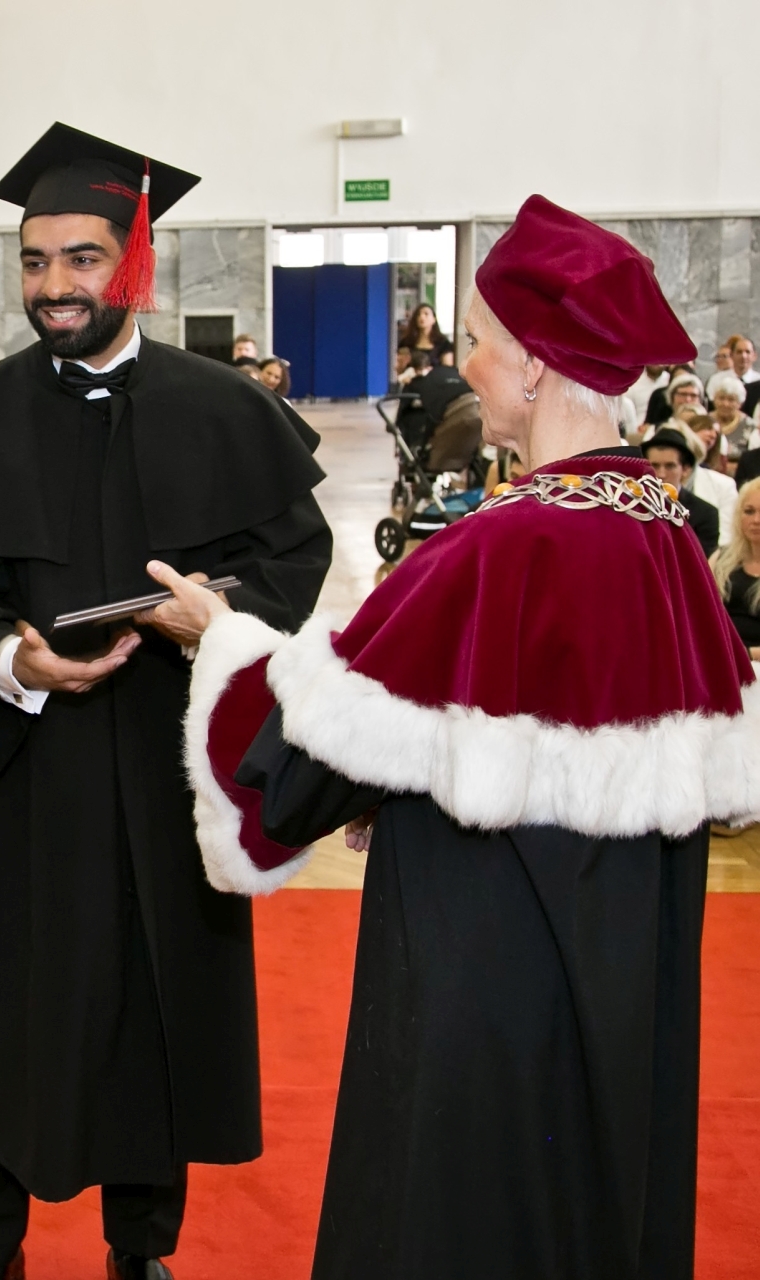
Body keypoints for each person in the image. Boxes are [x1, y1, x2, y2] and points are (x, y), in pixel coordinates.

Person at [169, 194, 749, 1280]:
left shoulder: (503, 544)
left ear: (535, 367)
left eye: (480, 341)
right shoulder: (665, 534)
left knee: (463, 1211)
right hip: (621, 979)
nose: (465, 367)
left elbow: (307, 754)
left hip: (488, 973)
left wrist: (222, 636)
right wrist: (410, 775)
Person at [0, 123, 331, 1280]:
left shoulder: (224, 410)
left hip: (170, 769)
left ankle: (141, 1247)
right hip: (26, 780)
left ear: (135, 264)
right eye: (34, 260)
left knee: (159, 1011)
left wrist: (214, 618)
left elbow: (290, 558)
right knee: (7, 1018)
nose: (53, 285)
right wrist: (16, 664)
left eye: (80, 258)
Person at [643, 428, 725, 553]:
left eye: (670, 466)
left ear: (685, 470)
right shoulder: (630, 506)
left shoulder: (705, 514)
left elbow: (703, 559)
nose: (661, 474)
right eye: (654, 466)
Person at [710, 477, 760, 645]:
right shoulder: (720, 559)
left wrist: (749, 654)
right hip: (722, 651)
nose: (756, 520)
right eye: (749, 511)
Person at [704, 370, 756, 466]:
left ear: (740, 403)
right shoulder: (703, 421)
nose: (725, 404)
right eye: (721, 398)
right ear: (714, 399)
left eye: (731, 400)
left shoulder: (750, 425)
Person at [398, 302, 454, 366]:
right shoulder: (406, 342)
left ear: (434, 319)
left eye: (426, 314)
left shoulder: (443, 343)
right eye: (418, 314)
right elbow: (399, 365)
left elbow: (447, 367)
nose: (422, 317)